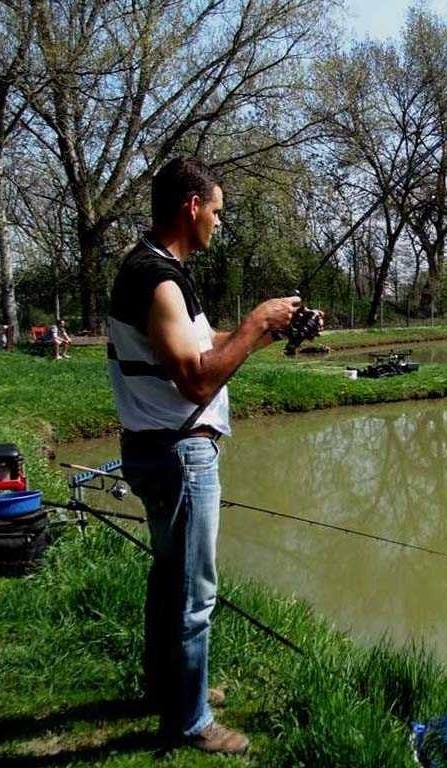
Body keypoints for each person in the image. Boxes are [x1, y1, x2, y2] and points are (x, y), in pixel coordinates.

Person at [106, 155, 321, 755]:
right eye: (218, 212)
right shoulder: (158, 280)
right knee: (194, 594)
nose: (220, 223)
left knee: (168, 579)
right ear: (191, 207)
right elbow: (197, 383)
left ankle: (170, 688)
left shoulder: (161, 271)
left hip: (160, 450)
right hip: (178, 454)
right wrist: (255, 323)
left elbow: (200, 351)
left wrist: (274, 330)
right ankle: (189, 720)